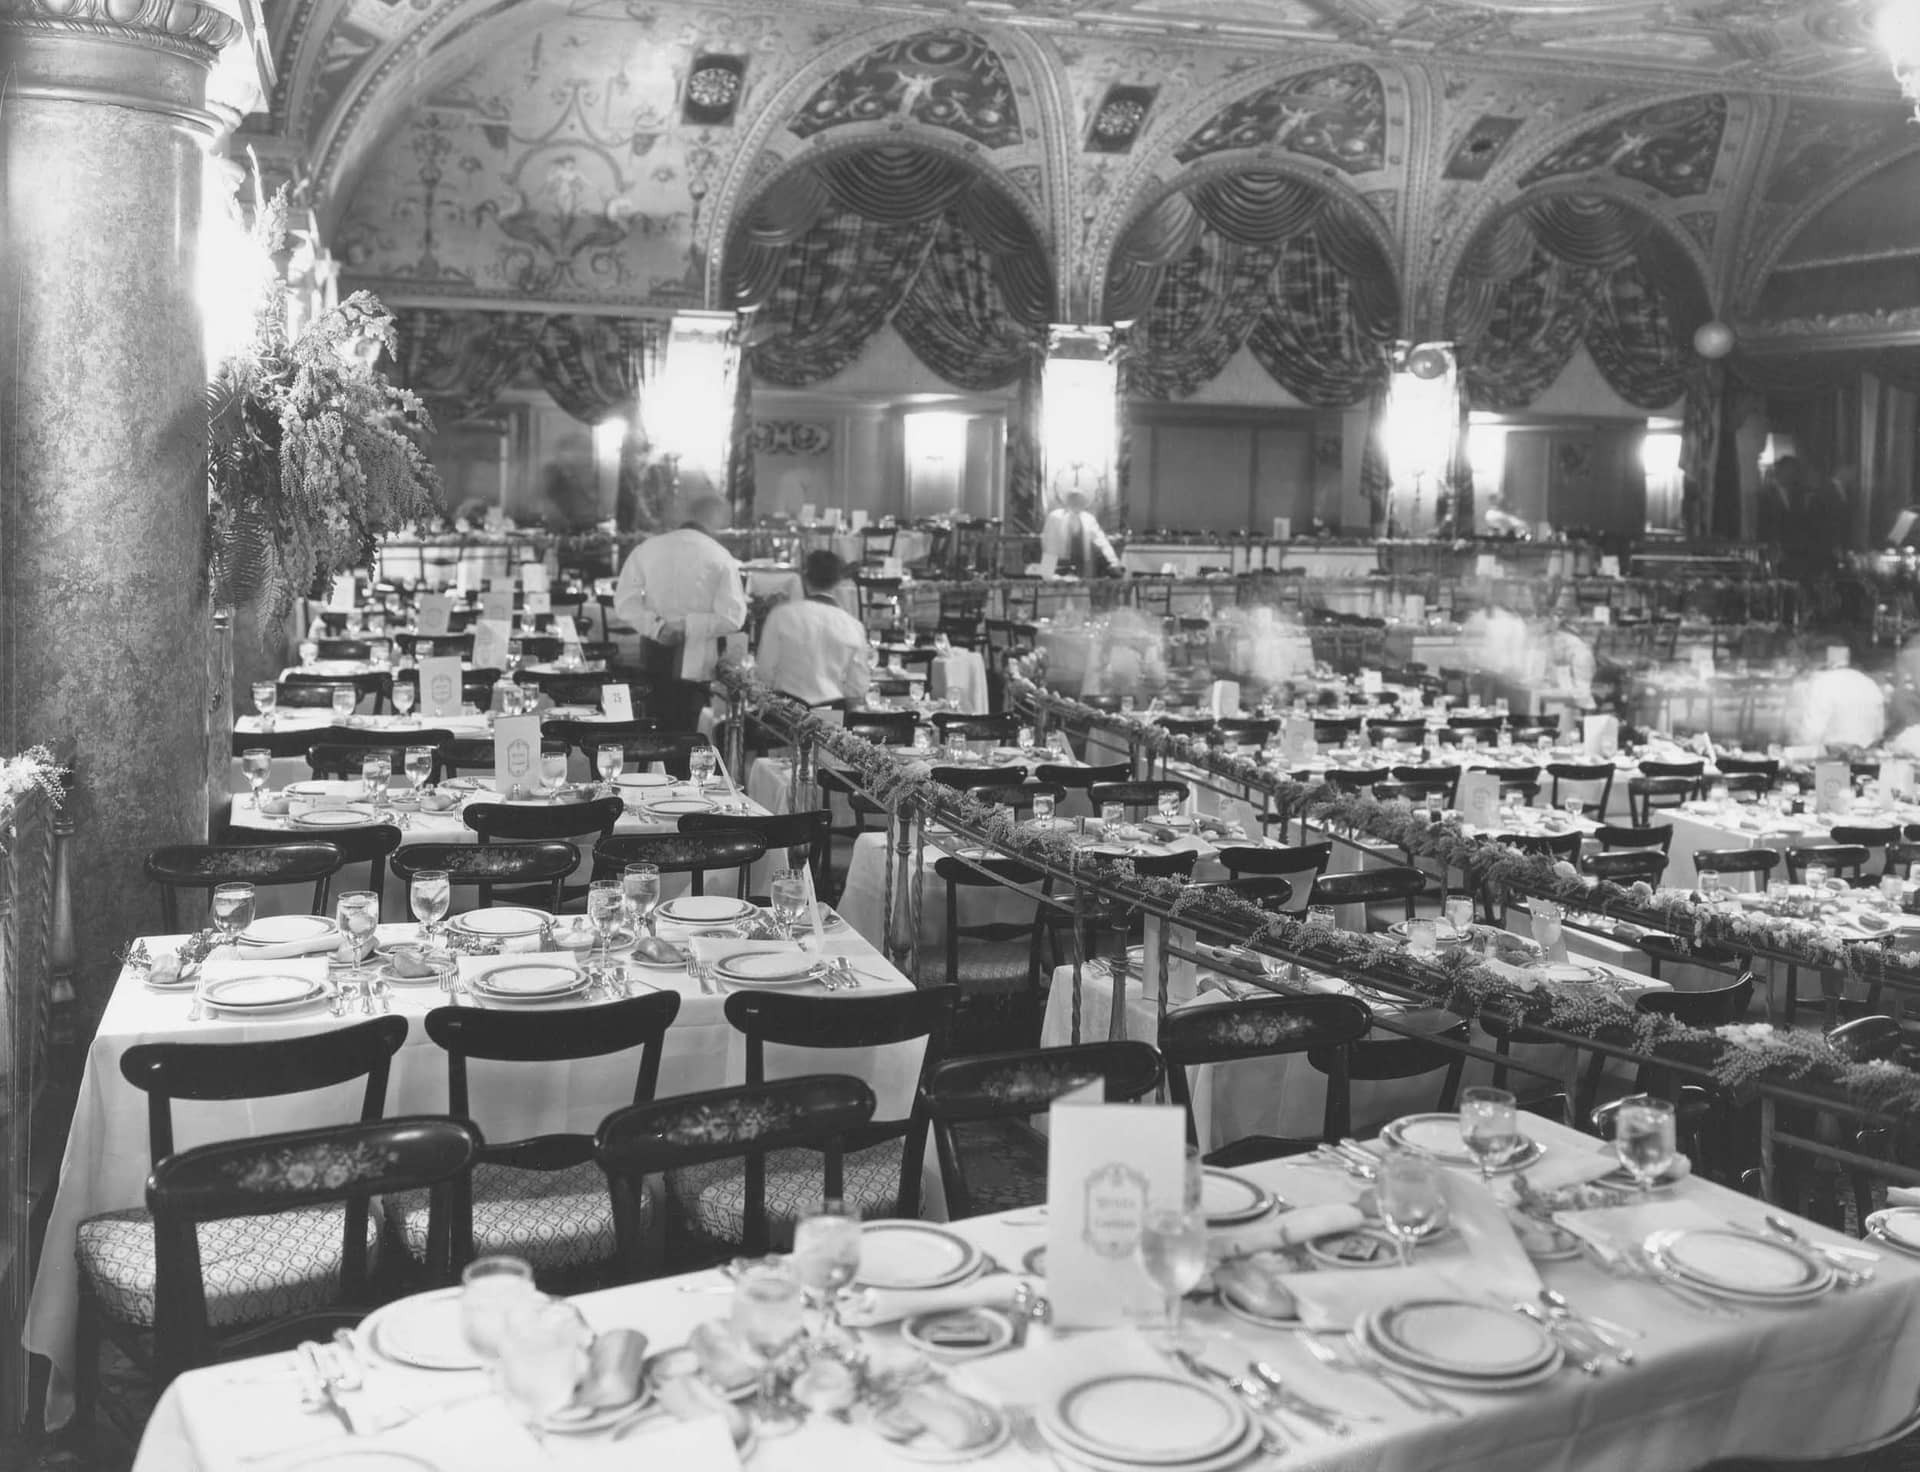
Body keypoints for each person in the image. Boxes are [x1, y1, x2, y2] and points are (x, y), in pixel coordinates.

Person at [613, 493, 747, 680]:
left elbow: (624, 603)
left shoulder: (648, 548)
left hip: (653, 649)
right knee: (690, 707)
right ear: (713, 518)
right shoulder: (720, 556)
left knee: (651, 705)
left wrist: (657, 628)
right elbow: (733, 617)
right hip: (699, 657)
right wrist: (690, 627)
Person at [753, 551, 873, 707]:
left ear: (804, 578)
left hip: (785, 712)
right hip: (831, 717)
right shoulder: (853, 626)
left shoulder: (781, 615)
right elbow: (858, 687)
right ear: (838, 581)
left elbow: (764, 671)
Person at [1039, 489, 1120, 579]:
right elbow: (1049, 545)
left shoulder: (1089, 519)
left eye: (1080, 500)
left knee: (1082, 591)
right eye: (1074, 499)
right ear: (1067, 501)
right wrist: (1047, 573)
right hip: (1060, 565)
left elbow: (1102, 542)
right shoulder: (1055, 517)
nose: (1077, 502)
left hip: (1083, 566)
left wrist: (1114, 563)